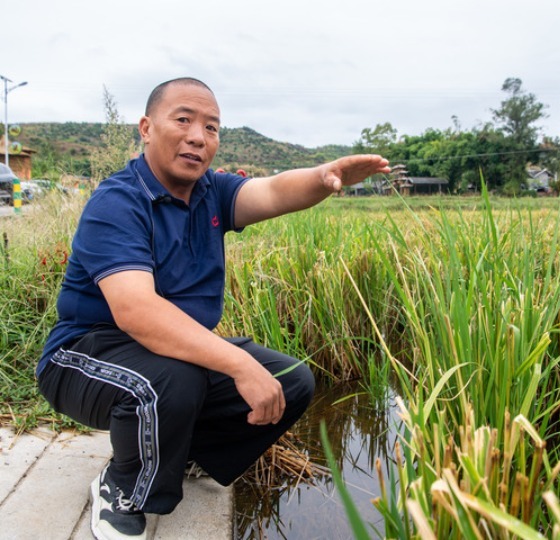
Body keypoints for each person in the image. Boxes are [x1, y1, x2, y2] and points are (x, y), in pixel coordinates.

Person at [36, 77, 391, 540]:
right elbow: (138, 312)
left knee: (292, 381)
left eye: (212, 127)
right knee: (174, 380)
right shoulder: (118, 201)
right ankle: (122, 488)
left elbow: (274, 191)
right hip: (85, 355)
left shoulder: (210, 193)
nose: (198, 137)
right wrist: (240, 364)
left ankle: (177, 455)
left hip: (165, 351)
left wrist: (327, 176)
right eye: (183, 120)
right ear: (146, 127)